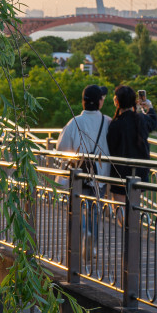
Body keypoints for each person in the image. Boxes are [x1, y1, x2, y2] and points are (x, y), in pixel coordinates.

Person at [56, 84, 110, 257]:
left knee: (79, 207)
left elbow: (62, 147)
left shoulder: (75, 121)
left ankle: (84, 232)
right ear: (100, 102)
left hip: (78, 174)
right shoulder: (107, 122)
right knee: (95, 208)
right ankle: (92, 245)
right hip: (99, 175)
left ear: (83, 102)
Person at [106, 85, 157, 200]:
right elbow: (153, 122)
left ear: (117, 101)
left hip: (120, 172)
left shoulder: (115, 124)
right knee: (134, 208)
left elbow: (111, 146)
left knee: (120, 207)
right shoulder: (141, 119)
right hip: (140, 171)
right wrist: (149, 107)